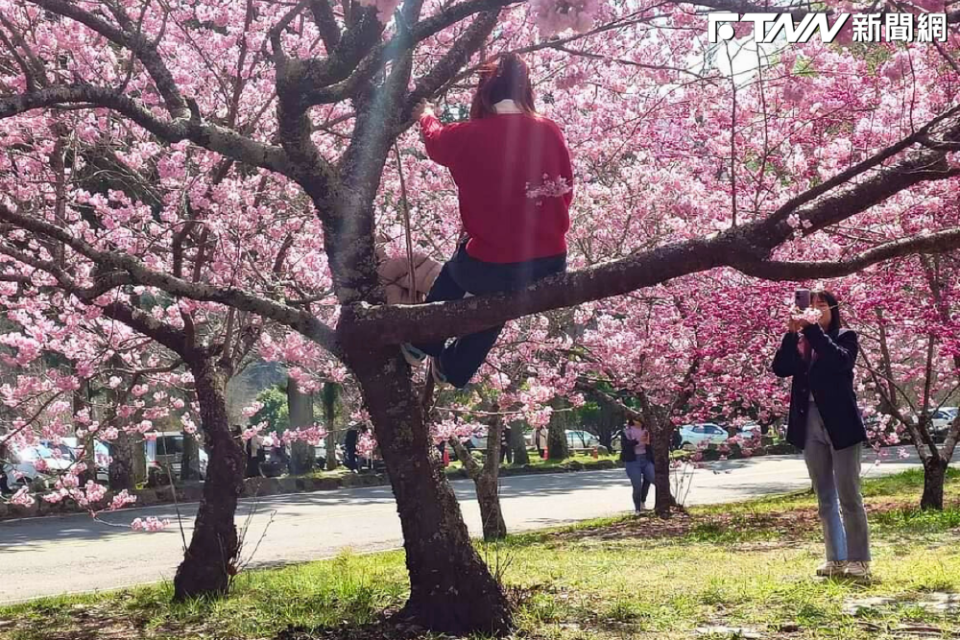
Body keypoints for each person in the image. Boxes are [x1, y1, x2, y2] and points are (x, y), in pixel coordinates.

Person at [400, 53, 574, 388]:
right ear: (526, 90)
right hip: (551, 261)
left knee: (457, 273)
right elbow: (566, 191)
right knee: (500, 300)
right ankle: (455, 367)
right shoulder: (549, 130)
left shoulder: (470, 134)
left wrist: (426, 114)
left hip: (494, 264)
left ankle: (423, 343)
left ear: (484, 92)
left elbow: (435, 141)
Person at [772, 290, 871, 580]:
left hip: (841, 423)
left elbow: (839, 361)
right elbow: (780, 368)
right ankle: (835, 559)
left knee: (849, 494)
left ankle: (859, 559)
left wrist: (813, 330)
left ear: (833, 309)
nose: (814, 309)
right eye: (809, 305)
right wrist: (792, 335)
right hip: (809, 422)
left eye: (821, 305)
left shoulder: (845, 336)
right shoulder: (803, 342)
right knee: (825, 496)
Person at [620, 417, 655, 513]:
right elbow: (625, 445)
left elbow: (653, 444)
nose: (638, 421)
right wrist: (638, 441)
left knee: (655, 479)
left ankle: (646, 502)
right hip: (632, 461)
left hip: (646, 459)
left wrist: (648, 443)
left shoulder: (648, 429)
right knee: (637, 486)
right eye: (636, 419)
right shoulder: (627, 431)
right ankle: (638, 509)